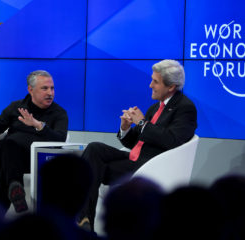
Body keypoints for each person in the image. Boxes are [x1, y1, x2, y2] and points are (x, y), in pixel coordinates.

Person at [78, 59, 197, 230]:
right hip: (136, 159)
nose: (150, 85)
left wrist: (141, 123)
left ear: (170, 87)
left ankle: (83, 222)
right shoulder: (155, 108)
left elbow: (172, 141)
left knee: (93, 168)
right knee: (95, 149)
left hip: (153, 167)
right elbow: (134, 142)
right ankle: (84, 221)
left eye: (155, 81)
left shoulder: (185, 108)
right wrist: (125, 128)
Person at [0, 70, 68, 214]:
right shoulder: (16, 107)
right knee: (8, 146)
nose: (50, 93)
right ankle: (15, 188)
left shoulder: (59, 113)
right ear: (30, 89)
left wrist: (38, 125)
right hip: (3, 153)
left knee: (5, 166)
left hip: (31, 161)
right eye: (44, 88)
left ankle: (0, 209)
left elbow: (60, 141)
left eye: (52, 88)